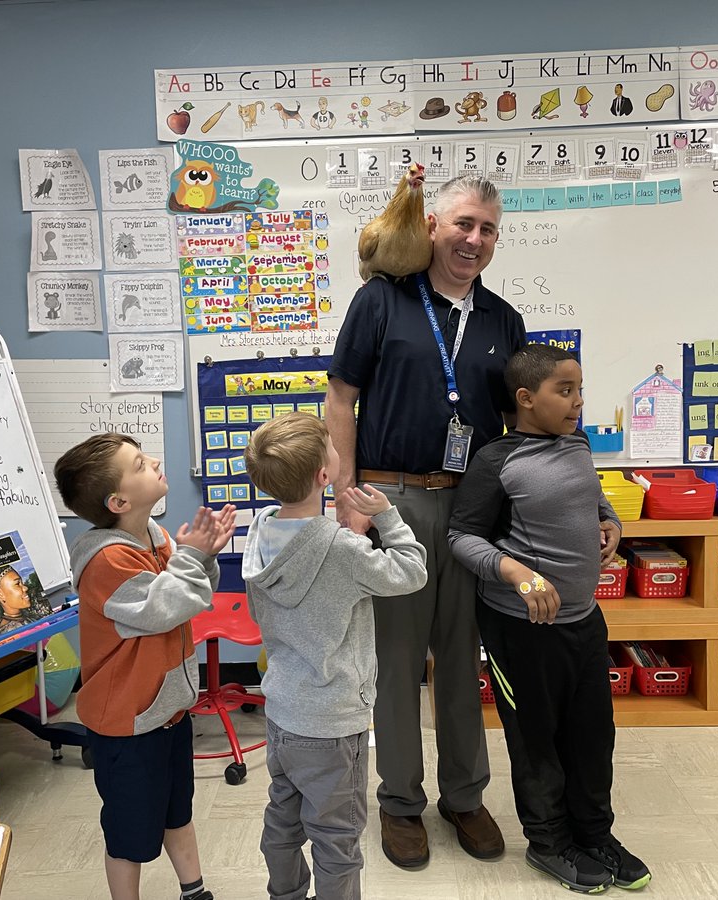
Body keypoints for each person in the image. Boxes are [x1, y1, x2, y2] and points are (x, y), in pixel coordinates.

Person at [326, 174, 526, 868]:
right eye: (464, 224)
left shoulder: (502, 319)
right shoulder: (381, 300)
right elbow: (342, 397)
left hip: (472, 506)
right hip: (394, 500)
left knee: (462, 655)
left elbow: (515, 425)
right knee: (398, 659)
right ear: (433, 224)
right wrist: (346, 496)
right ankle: (400, 802)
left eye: (489, 230)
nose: (475, 240)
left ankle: (465, 797)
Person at [447, 345, 650, 893]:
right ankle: (549, 842)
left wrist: (610, 522)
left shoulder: (577, 443)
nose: (578, 403)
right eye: (565, 391)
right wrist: (515, 572)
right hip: (522, 629)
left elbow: (590, 499)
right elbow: (461, 537)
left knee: (591, 735)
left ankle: (594, 834)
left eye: (580, 390)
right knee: (536, 738)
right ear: (525, 398)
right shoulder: (496, 460)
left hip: (584, 619)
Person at [241, 412, 427, 900]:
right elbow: (410, 573)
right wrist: (387, 516)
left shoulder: (259, 534)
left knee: (282, 817)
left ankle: (285, 893)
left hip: (282, 712)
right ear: (325, 475)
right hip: (332, 723)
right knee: (337, 838)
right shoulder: (342, 549)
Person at [54, 433, 234, 900]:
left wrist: (204, 556)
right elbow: (163, 608)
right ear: (119, 500)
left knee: (178, 810)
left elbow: (192, 593)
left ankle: (194, 890)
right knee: (130, 834)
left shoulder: (156, 536)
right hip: (127, 725)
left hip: (166, 710)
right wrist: (193, 557)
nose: (153, 460)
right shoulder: (106, 560)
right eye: (139, 463)